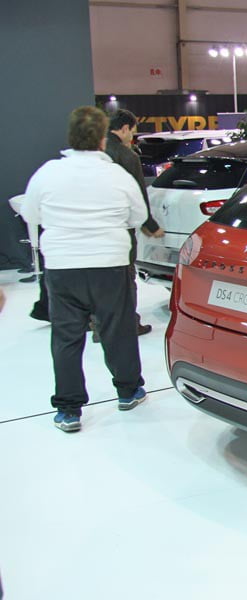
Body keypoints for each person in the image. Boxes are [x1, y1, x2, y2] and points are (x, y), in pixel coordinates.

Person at [21, 106, 150, 433]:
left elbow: (30, 214)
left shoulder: (48, 173)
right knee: (118, 329)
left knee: (66, 336)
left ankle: (69, 410)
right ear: (101, 139)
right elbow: (137, 217)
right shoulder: (118, 175)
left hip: (63, 266)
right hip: (110, 263)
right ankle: (128, 391)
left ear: (71, 136)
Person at [105, 109, 162, 337]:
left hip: (92, 230)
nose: (132, 136)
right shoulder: (127, 156)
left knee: (101, 279)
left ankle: (99, 325)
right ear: (125, 128)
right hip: (121, 228)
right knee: (125, 279)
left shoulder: (93, 153)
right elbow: (138, 195)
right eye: (132, 131)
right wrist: (150, 225)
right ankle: (129, 323)